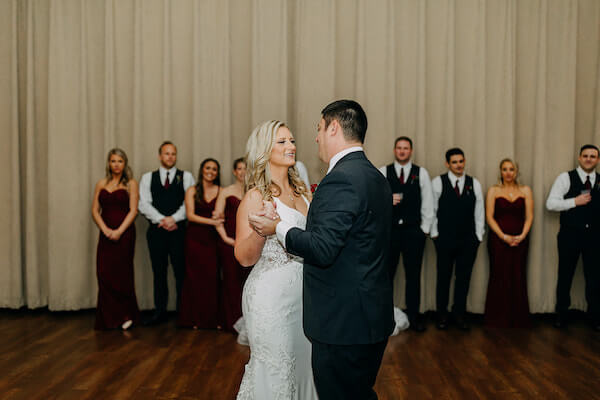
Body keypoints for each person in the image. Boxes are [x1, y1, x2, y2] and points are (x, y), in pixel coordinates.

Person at [249, 100, 395, 400]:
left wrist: (276, 227)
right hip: (370, 317)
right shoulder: (376, 178)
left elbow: (322, 248)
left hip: (343, 324)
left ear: (334, 128)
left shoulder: (340, 179)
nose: (314, 138)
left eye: (318, 129)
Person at [234, 120, 317, 399]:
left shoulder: (304, 194)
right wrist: (262, 229)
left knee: (305, 367)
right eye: (281, 142)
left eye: (291, 141)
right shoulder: (256, 196)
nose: (291, 146)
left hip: (304, 297)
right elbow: (243, 258)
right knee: (277, 369)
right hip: (270, 297)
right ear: (265, 150)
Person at [379, 136, 434, 332]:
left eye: (406, 148)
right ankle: (385, 318)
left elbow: (428, 203)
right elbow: (373, 201)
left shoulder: (422, 174)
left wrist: (424, 230)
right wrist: (386, 199)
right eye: (399, 148)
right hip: (390, 232)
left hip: (413, 233)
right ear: (395, 150)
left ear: (410, 151)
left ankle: (414, 316)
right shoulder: (383, 172)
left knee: (413, 276)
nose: (402, 151)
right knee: (386, 275)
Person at [139, 141, 195, 325]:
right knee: (159, 272)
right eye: (166, 153)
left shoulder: (186, 177)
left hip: (179, 232)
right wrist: (162, 220)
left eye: (173, 154)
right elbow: (143, 204)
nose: (170, 157)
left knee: (181, 272)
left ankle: (183, 312)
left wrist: (174, 219)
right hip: (156, 232)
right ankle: (160, 312)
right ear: (159, 156)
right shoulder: (148, 177)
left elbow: (189, 203)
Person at [546, 144, 600, 331]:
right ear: (579, 158)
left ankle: (595, 317)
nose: (588, 159)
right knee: (565, 275)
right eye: (585, 156)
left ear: (598, 160)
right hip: (570, 235)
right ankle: (561, 314)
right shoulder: (565, 178)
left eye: (593, 156)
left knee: (594, 278)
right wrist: (574, 202)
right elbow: (550, 204)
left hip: (594, 238)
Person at [431, 148, 484, 331]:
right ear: (447, 164)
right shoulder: (438, 182)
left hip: (468, 240)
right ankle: (442, 315)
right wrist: (435, 235)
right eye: (454, 162)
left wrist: (478, 236)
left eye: (461, 161)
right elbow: (432, 210)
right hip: (444, 239)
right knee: (443, 278)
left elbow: (479, 213)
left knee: (463, 279)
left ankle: (459, 314)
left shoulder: (473, 183)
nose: (459, 165)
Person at [91, 148, 141, 330]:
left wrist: (119, 231)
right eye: (113, 161)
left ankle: (125, 315)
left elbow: (133, 210)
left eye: (120, 161)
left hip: (124, 233)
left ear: (125, 164)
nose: (116, 164)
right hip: (106, 234)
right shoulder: (101, 183)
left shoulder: (131, 184)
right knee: (104, 273)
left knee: (122, 274)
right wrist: (105, 229)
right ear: (108, 163)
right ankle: (108, 316)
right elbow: (94, 210)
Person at [484, 158, 533, 328]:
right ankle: (497, 317)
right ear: (500, 171)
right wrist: (503, 236)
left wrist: (522, 236)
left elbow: (529, 216)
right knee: (499, 276)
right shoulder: (493, 191)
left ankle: (518, 318)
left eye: (511, 169)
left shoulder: (525, 190)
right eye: (504, 169)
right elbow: (489, 217)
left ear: (516, 171)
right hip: (498, 240)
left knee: (518, 275)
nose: (508, 173)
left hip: (520, 240)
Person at [178, 158, 223, 329]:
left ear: (217, 173)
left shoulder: (221, 190)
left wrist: (217, 222)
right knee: (194, 278)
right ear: (201, 170)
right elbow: (190, 215)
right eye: (207, 168)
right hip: (194, 239)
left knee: (211, 278)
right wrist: (212, 222)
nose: (210, 171)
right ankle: (194, 318)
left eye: (214, 169)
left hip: (213, 240)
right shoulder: (192, 190)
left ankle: (212, 319)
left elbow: (221, 215)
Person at [214, 158, 251, 338]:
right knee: (230, 281)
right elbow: (217, 219)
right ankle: (231, 320)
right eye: (239, 169)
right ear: (234, 172)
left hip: (249, 242)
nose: (243, 172)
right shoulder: (226, 191)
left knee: (248, 282)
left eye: (246, 168)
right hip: (228, 241)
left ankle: (248, 320)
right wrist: (226, 238)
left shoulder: (254, 191)